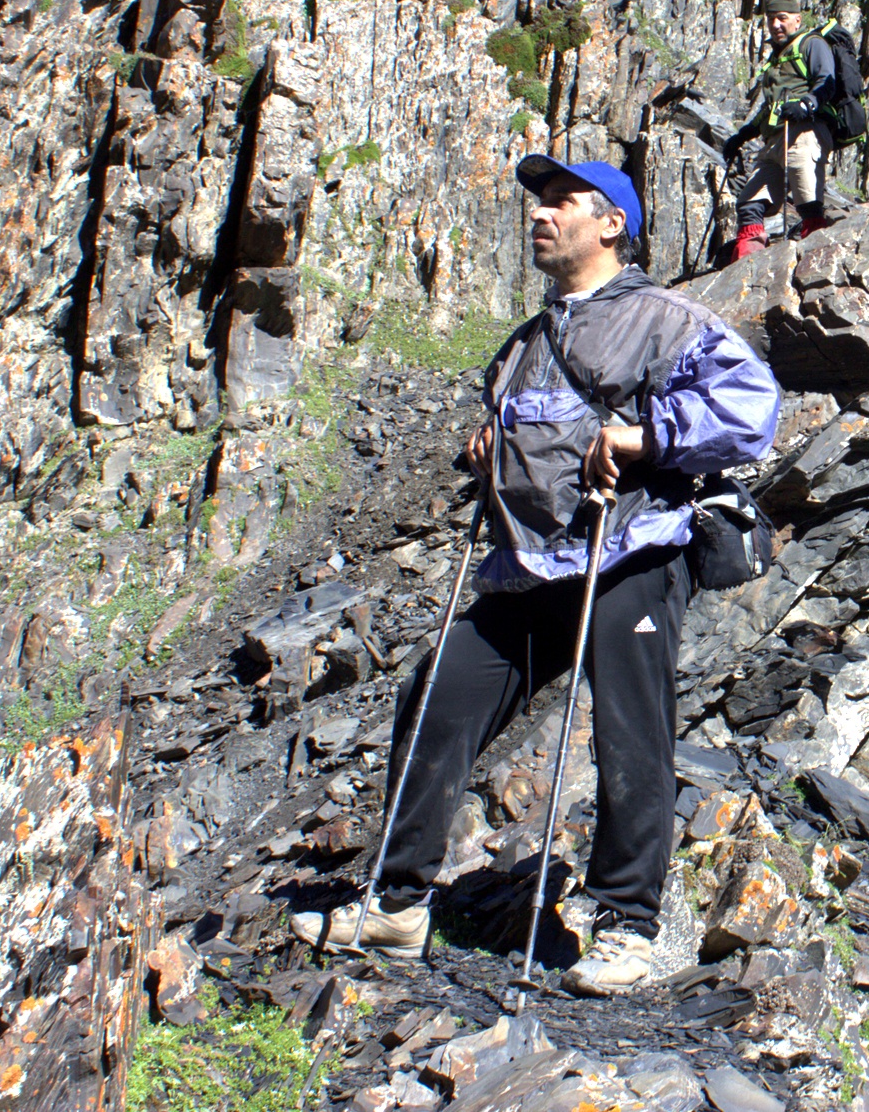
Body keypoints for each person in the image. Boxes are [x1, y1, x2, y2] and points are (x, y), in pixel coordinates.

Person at [291, 157, 780, 996]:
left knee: (633, 727)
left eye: (561, 202)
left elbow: (752, 410)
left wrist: (643, 440)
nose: (541, 215)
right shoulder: (525, 343)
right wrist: (487, 446)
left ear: (611, 224)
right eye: (540, 203)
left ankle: (628, 922)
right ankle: (399, 901)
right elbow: (526, 429)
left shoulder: (666, 320)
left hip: (630, 552)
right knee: (440, 693)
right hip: (532, 563)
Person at [723, 0, 839, 257]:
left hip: (805, 133)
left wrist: (806, 104)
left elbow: (826, 82)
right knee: (749, 202)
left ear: (797, 20)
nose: (776, 24)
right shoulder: (777, 58)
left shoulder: (811, 44)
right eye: (771, 18)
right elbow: (770, 107)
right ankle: (747, 264)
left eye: (782, 18)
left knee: (808, 202)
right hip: (775, 139)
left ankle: (819, 262)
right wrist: (744, 134)